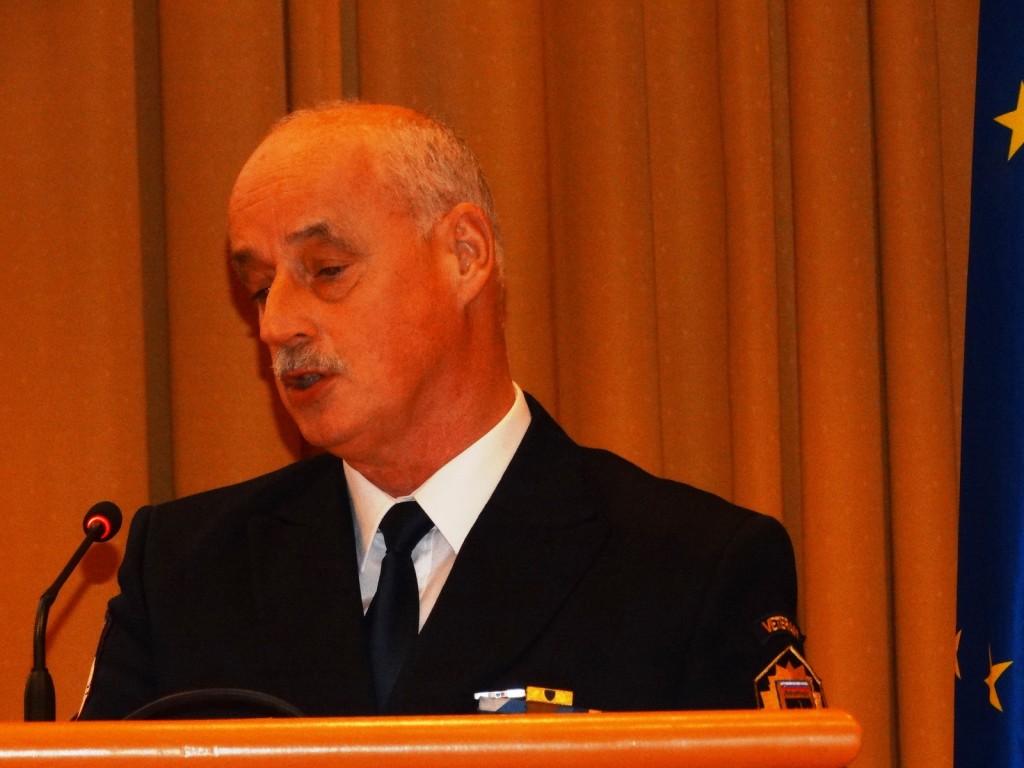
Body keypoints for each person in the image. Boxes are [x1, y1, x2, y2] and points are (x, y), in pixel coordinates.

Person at [78, 102, 805, 719]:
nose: (277, 326)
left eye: (327, 270)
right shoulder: (183, 573)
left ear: (464, 254)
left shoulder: (690, 569)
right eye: (261, 287)